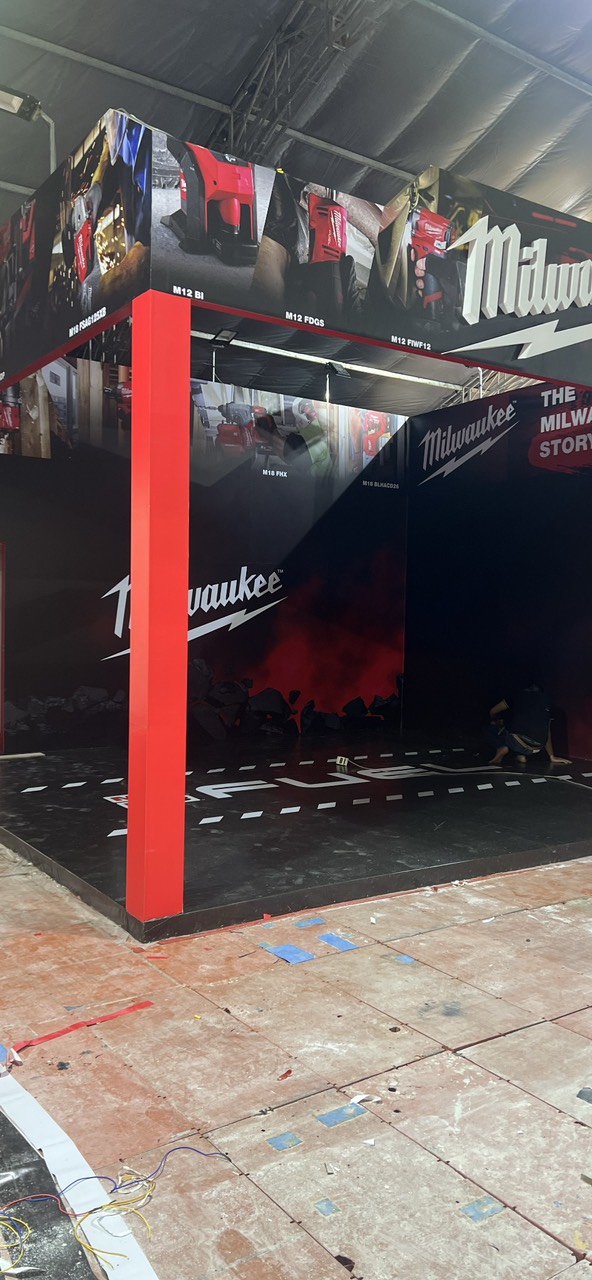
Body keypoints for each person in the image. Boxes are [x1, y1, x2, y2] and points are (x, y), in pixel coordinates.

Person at [487, 684, 570, 766]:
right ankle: (520, 756)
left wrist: (496, 721)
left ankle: (501, 747)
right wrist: (552, 756)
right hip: (536, 748)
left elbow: (493, 711)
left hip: (517, 742)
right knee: (521, 733)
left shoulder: (518, 695)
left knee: (489, 729)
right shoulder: (548, 701)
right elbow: (547, 731)